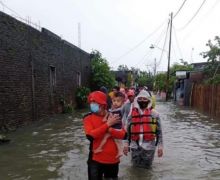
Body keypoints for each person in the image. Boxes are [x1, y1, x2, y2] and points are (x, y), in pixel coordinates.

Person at [83, 91, 126, 180]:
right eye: (90, 102)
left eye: (94, 102)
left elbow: (124, 135)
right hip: (95, 160)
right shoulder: (88, 118)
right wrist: (108, 124)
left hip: (113, 160)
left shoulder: (115, 115)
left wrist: (110, 129)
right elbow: (90, 136)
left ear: (102, 105)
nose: (91, 105)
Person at [123, 89, 163, 168]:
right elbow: (127, 131)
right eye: (140, 99)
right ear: (137, 100)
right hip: (135, 146)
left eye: (144, 99)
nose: (142, 101)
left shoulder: (155, 114)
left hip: (149, 147)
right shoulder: (131, 114)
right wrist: (126, 144)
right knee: (134, 168)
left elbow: (159, 133)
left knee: (147, 170)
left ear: (149, 100)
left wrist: (160, 147)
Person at [94, 91, 125, 158]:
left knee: (116, 140)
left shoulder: (120, 110)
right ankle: (100, 148)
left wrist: (106, 119)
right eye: (114, 101)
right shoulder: (114, 110)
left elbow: (112, 118)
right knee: (115, 140)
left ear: (122, 103)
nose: (115, 103)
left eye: (118, 101)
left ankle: (119, 151)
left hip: (116, 128)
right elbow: (109, 113)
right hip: (114, 128)